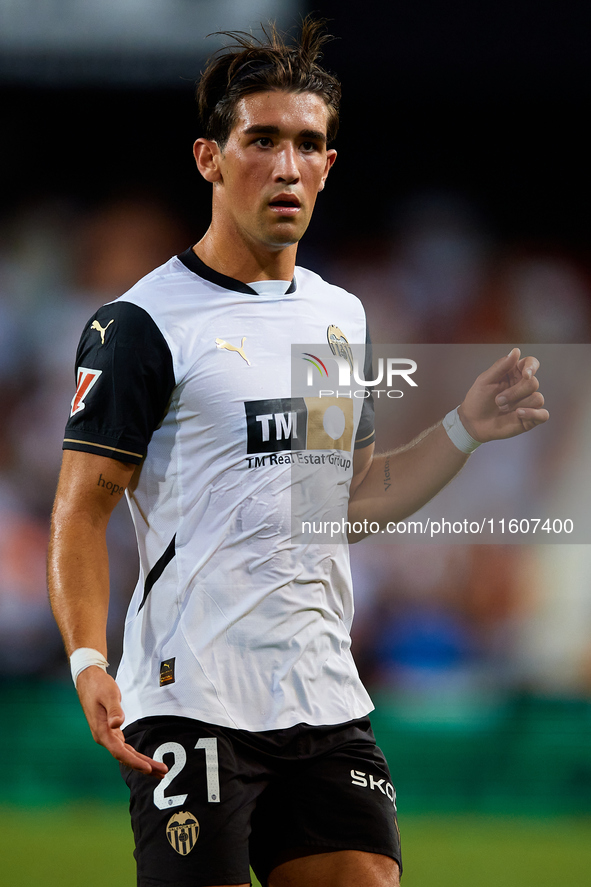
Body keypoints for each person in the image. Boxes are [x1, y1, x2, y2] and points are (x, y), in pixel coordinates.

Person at [47, 18, 548, 887]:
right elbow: (81, 504)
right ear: (209, 157)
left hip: (321, 694)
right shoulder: (142, 323)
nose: (286, 165)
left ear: (328, 166)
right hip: (190, 700)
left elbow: (346, 498)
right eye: (263, 140)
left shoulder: (336, 317)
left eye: (308, 144)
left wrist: (464, 427)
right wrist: (89, 657)